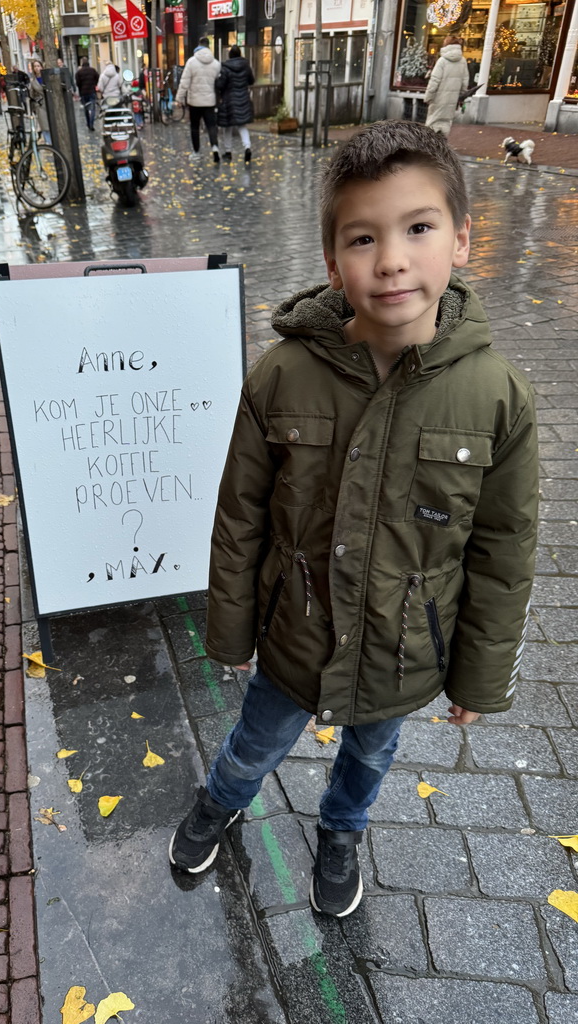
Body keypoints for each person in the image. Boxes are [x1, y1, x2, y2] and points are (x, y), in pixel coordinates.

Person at [168, 120, 539, 919]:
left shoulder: (497, 396)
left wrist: (480, 671)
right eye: (364, 238)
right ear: (334, 262)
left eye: (418, 229)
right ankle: (220, 799)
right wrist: (230, 631)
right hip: (295, 637)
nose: (393, 260)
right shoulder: (283, 375)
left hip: (404, 647)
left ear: (462, 240)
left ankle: (341, 831)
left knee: (371, 754)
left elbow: (505, 548)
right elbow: (240, 516)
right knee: (255, 742)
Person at [175, 36, 221, 163]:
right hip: (210, 101)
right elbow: (219, 82)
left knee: (194, 127)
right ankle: (215, 147)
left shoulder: (191, 62)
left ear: (199, 45)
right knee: (211, 126)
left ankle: (196, 152)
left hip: (194, 102)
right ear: (208, 46)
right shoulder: (216, 64)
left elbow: (184, 82)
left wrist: (179, 98)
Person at [216, 45, 255, 164]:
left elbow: (220, 85)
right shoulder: (246, 66)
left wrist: (216, 83)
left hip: (229, 100)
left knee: (227, 126)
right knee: (242, 125)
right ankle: (247, 147)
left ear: (230, 55)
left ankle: (228, 152)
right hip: (243, 98)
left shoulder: (225, 68)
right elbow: (251, 81)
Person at [424, 35, 468, 138]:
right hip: (452, 99)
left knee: (433, 122)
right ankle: (442, 145)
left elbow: (434, 81)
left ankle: (429, 146)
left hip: (438, 98)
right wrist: (461, 96)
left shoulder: (442, 61)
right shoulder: (463, 61)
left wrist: (428, 97)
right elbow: (465, 81)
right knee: (446, 122)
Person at [29, 59, 51, 145]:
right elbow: (31, 94)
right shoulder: (33, 81)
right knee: (44, 125)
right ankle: (48, 142)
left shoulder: (47, 78)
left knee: (51, 123)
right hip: (40, 105)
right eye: (35, 66)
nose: (37, 68)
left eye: (38, 66)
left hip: (49, 103)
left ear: (42, 67)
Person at [75, 57, 99, 130]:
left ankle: (88, 123)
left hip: (83, 93)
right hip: (91, 91)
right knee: (92, 109)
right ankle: (91, 123)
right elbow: (97, 78)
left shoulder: (79, 72)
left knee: (86, 108)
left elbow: (78, 83)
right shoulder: (93, 70)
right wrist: (94, 84)